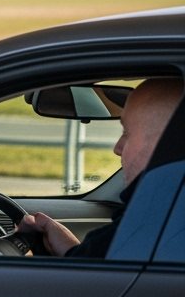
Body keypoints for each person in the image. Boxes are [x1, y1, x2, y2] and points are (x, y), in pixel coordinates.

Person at [17, 77, 183, 257]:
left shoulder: (152, 222)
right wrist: (71, 251)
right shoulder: (166, 220)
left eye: (126, 133)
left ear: (165, 144)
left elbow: (92, 274)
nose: (117, 148)